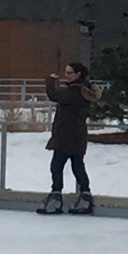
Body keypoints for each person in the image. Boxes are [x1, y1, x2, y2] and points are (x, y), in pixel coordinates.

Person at [40, 60, 96, 214]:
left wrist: (50, 81)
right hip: (76, 135)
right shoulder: (83, 90)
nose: (66, 75)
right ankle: (85, 194)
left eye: (70, 73)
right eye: (66, 72)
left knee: (57, 166)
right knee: (77, 165)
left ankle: (56, 196)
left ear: (78, 74)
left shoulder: (76, 91)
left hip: (67, 136)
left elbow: (54, 95)